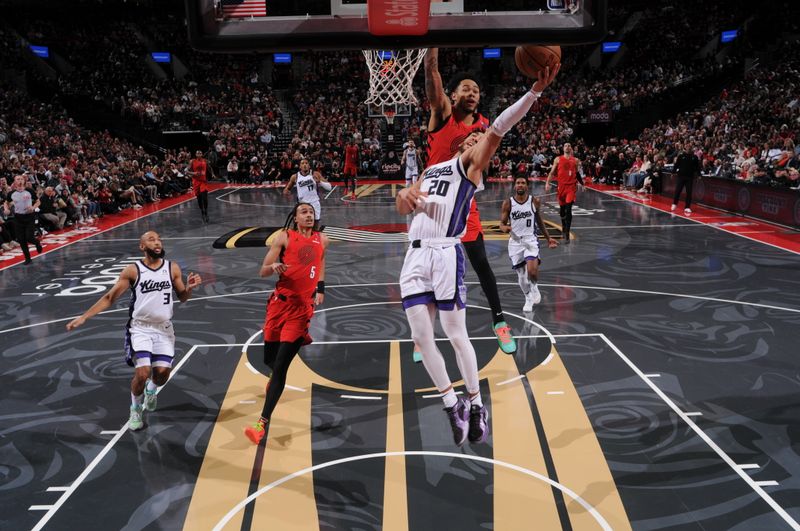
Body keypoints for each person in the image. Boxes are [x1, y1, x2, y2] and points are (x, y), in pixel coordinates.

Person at [397, 63, 560, 446]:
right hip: (414, 256)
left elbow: (501, 125)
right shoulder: (434, 168)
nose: (474, 139)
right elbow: (404, 207)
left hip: (444, 254)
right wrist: (403, 196)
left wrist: (534, 91)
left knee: (455, 335)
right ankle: (451, 403)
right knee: (421, 338)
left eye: (479, 140)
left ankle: (475, 402)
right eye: (470, 138)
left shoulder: (470, 168)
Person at [422, 48, 517, 358]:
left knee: (481, 264)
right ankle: (423, 336)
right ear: (453, 94)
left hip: (464, 205)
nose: (473, 93)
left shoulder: (484, 125)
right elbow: (433, 76)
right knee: (429, 272)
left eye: (476, 89)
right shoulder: (442, 114)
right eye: (466, 88)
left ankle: (499, 321)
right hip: (433, 206)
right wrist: (431, 47)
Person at [66, 231, 201, 430]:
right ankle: (135, 409)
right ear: (142, 246)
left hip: (164, 329)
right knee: (143, 372)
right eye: (151, 240)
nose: (157, 242)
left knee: (162, 374)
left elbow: (182, 297)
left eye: (158, 239)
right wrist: (84, 317)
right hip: (140, 329)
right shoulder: (133, 270)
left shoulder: (172, 268)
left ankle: (151, 391)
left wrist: (189, 288)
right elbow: (109, 298)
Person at [245, 202, 329, 444]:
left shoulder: (322, 240)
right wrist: (273, 267)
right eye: (304, 212)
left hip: (301, 311)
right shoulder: (284, 237)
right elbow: (262, 271)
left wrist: (320, 287)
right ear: (295, 218)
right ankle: (276, 376)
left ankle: (261, 423)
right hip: (278, 306)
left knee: (280, 367)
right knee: (268, 361)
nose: (309, 215)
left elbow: (321, 262)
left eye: (311, 212)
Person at [499, 176, 558, 312]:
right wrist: (504, 228)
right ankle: (528, 297)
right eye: (518, 183)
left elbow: (539, 220)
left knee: (532, 271)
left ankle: (534, 286)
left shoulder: (534, 201)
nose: (520, 185)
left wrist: (548, 238)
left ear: (527, 186)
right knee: (521, 275)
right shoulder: (508, 203)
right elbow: (501, 224)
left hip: (530, 239)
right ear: (514, 186)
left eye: (523, 183)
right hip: (515, 242)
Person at [545, 143, 584, 243]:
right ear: (563, 148)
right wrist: (547, 183)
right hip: (561, 188)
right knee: (562, 210)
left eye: (569, 145)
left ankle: (567, 232)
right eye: (565, 145)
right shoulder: (557, 159)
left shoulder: (575, 160)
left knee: (568, 208)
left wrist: (582, 184)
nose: (567, 147)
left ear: (571, 148)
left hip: (571, 188)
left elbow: (577, 173)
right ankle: (563, 225)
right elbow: (552, 172)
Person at [3, 174, 42, 265]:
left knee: (29, 237)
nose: (20, 181)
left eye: (21, 179)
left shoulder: (29, 191)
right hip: (18, 218)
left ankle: (37, 243)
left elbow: (38, 201)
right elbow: (6, 203)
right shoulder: (11, 193)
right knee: (21, 239)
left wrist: (32, 207)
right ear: (15, 182)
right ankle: (28, 258)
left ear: (24, 181)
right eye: (17, 179)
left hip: (29, 217)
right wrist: (6, 209)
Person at [283, 158, 331, 225]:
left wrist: (320, 182)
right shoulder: (295, 177)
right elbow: (287, 189)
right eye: (302, 163)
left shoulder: (315, 174)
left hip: (314, 202)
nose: (304, 165)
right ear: (300, 166)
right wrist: (286, 192)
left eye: (306, 163)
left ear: (309, 166)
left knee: (316, 223)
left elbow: (329, 187)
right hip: (302, 203)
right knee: (300, 223)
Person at [671, 143, 701, 214]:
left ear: (691, 148)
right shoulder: (681, 156)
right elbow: (676, 165)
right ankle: (674, 204)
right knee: (678, 191)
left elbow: (697, 167)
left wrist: (699, 175)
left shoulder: (695, 157)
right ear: (685, 148)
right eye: (687, 147)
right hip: (681, 176)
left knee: (689, 193)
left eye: (690, 147)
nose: (689, 148)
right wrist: (673, 172)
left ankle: (687, 207)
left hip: (689, 177)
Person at [187, 150, 212, 223]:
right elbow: (186, 170)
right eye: (198, 153)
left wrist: (212, 174)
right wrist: (193, 173)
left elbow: (209, 168)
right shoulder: (192, 161)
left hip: (203, 182)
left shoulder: (205, 161)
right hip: (196, 182)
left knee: (204, 196)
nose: (199, 154)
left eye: (200, 153)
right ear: (195, 154)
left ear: (202, 154)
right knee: (199, 199)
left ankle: (206, 211)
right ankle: (202, 211)